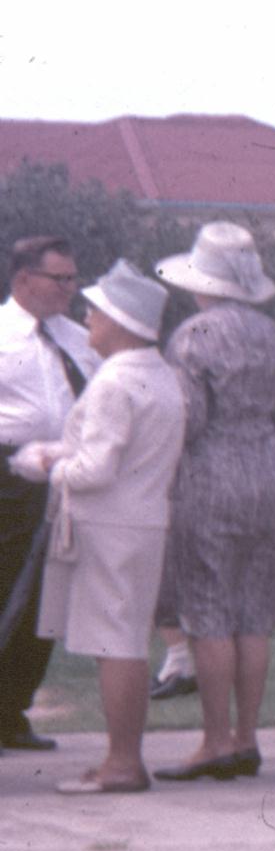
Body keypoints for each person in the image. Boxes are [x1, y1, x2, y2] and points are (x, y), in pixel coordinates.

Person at [11, 264, 186, 794]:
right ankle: (122, 758)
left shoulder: (113, 381)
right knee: (125, 641)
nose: (87, 318)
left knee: (116, 645)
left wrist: (43, 467)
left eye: (97, 311)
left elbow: (96, 470)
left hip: (108, 526)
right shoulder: (158, 374)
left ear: (122, 321)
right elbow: (117, 450)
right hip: (142, 521)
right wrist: (58, 449)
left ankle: (122, 763)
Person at [0, 234, 95, 753]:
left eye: (72, 279)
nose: (69, 289)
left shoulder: (76, 338)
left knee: (43, 601)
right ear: (22, 281)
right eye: (59, 278)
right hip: (7, 476)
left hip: (64, 477)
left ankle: (11, 711)